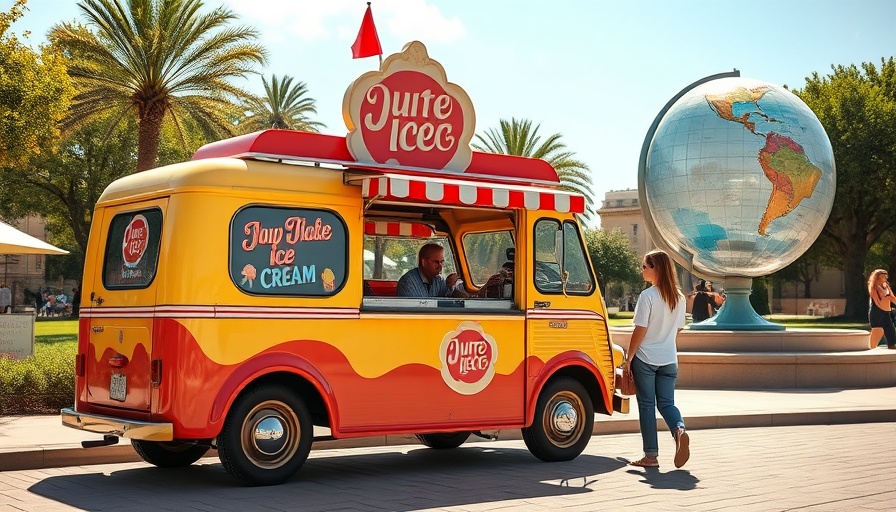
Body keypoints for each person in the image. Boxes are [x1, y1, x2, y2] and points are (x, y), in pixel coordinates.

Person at [626, 249, 690, 468]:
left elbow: (640, 329)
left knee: (646, 405)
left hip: (645, 359)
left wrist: (629, 356)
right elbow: (679, 327)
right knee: (667, 403)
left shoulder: (648, 296)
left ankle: (650, 456)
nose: (642, 270)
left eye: (645, 266)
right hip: (669, 359)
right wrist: (664, 337)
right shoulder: (679, 298)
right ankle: (679, 429)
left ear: (656, 268)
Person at [397, 243, 469, 298]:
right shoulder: (408, 282)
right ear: (424, 262)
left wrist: (453, 286)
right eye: (436, 262)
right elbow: (414, 312)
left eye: (441, 262)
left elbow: (462, 298)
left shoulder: (439, 280)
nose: (440, 267)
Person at [867, 269, 896, 349]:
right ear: (877, 278)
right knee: (878, 332)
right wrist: (885, 292)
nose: (885, 278)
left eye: (885, 276)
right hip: (877, 312)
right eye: (883, 276)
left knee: (891, 333)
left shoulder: (886, 286)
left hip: (886, 312)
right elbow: (880, 299)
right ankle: (870, 349)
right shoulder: (873, 288)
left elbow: (892, 297)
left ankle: (891, 348)